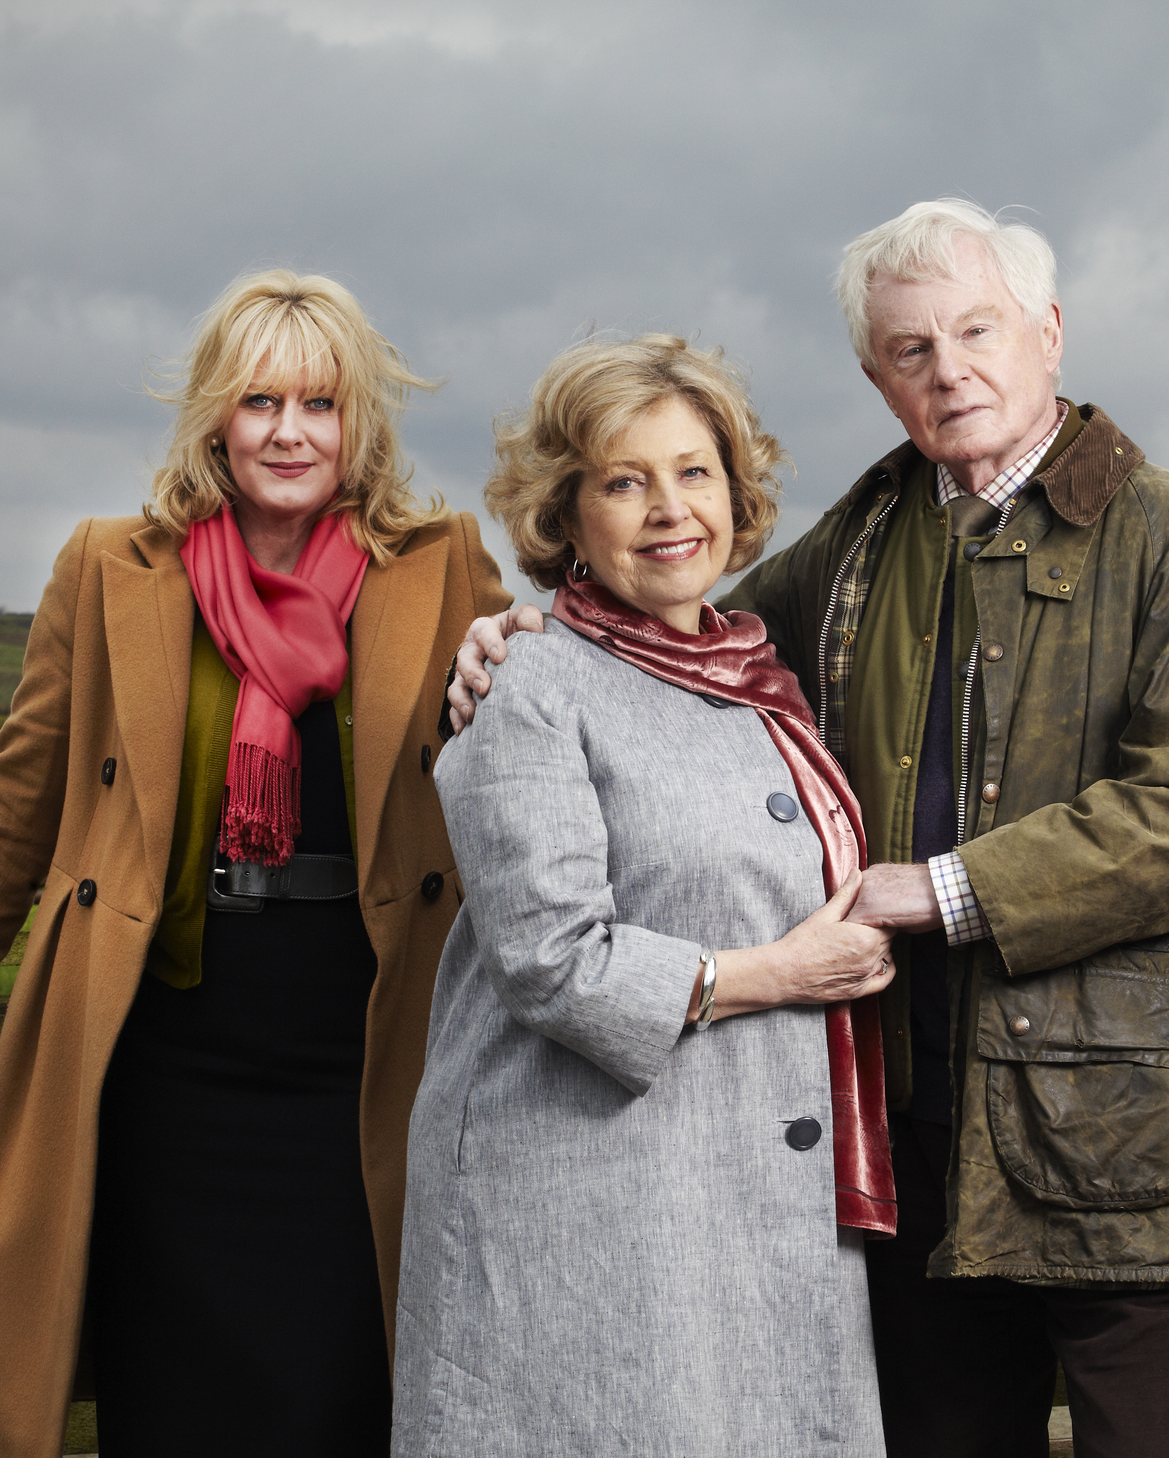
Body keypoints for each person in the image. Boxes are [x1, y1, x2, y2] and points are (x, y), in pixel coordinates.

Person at [448, 200, 1169, 1458]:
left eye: (976, 329)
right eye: (910, 348)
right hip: (918, 1136)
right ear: (875, 375)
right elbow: (679, 644)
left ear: (1048, 334)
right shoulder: (858, 542)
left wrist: (946, 891)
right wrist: (519, 635)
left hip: (1130, 1140)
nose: (948, 368)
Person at [0, 270, 513, 1458]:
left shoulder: (437, 565)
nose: (288, 432)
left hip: (365, 1063)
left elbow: (514, 762)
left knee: (348, 1391)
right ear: (216, 417)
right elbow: (15, 804)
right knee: (175, 1402)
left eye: (319, 405)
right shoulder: (112, 566)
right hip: (167, 1064)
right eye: (260, 401)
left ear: (358, 422)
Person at [390, 334, 894, 1456]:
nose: (669, 509)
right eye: (625, 481)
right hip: (583, 1208)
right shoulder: (528, 684)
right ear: (565, 516)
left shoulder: (761, 680)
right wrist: (777, 975)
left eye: (693, 472)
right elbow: (551, 962)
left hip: (736, 1198)